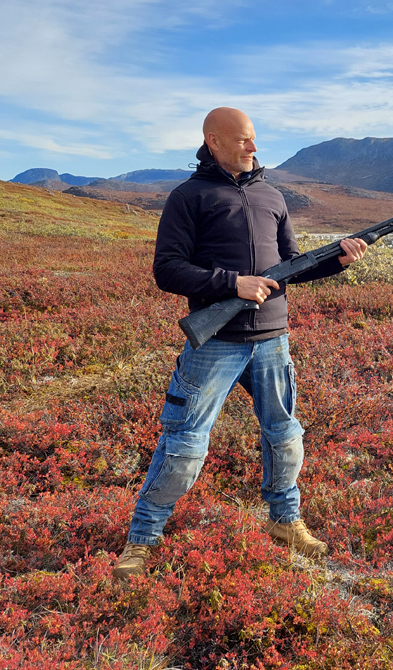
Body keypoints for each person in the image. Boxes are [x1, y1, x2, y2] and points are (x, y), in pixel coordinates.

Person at [113, 107, 367, 579]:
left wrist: (340, 261)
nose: (253, 148)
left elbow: (293, 263)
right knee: (184, 445)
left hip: (273, 340)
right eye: (242, 140)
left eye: (254, 140)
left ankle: (285, 521)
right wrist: (233, 284)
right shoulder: (188, 196)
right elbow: (166, 269)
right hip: (216, 341)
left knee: (286, 437)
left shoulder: (272, 194)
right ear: (213, 141)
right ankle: (141, 540)